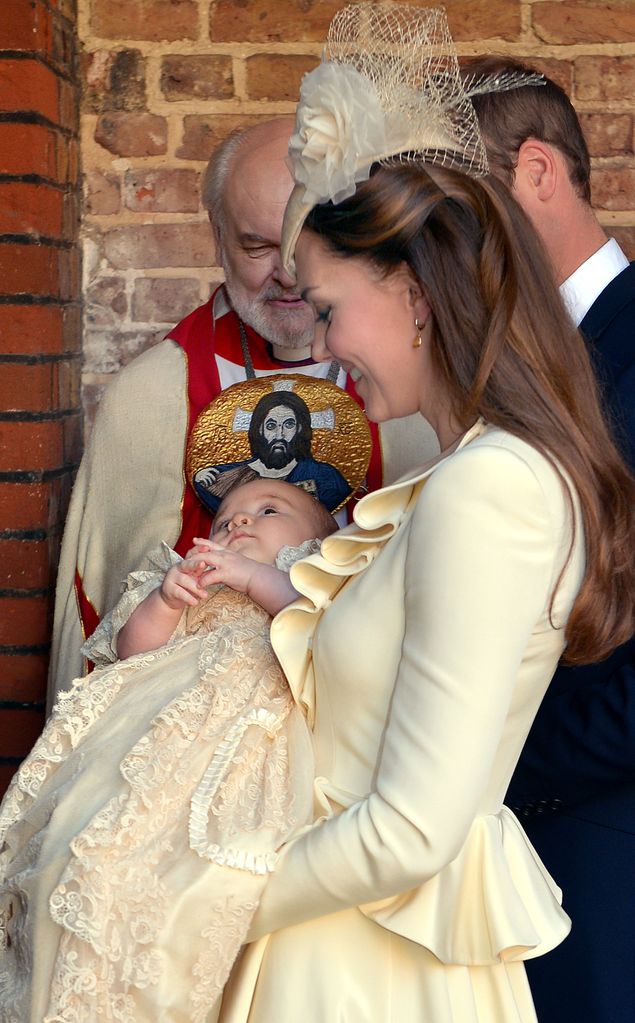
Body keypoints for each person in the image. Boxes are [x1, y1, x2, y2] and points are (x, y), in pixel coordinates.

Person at [209, 5, 635, 1022]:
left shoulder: (490, 485)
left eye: (325, 306)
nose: (320, 343)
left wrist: (203, 897)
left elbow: (412, 822)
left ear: (410, 292)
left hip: (396, 933)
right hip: (351, 934)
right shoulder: (451, 472)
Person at [48, 117, 436, 705]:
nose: (287, 273)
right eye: (258, 246)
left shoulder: (414, 384)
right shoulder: (155, 391)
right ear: (217, 236)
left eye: (306, 245)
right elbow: (101, 608)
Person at [0, 478, 337, 1023]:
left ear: (322, 535)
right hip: (153, 726)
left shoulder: (313, 571)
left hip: (248, 728)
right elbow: (132, 653)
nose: (240, 524)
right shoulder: (186, 581)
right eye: (226, 520)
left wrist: (255, 579)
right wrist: (164, 600)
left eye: (268, 511)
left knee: (191, 861)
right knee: (89, 830)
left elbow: (329, 625)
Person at [467, 56, 635, 1023]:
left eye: (464, 206)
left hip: (604, 854)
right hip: (512, 861)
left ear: (537, 171)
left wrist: (487, 759)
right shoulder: (506, 363)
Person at [194, 390, 351, 512]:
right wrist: (203, 478)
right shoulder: (224, 477)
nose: (279, 435)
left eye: (289, 425)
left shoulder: (325, 477)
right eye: (271, 426)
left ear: (300, 428)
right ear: (259, 430)